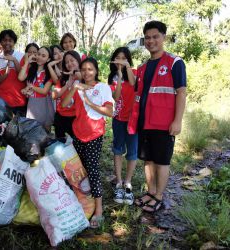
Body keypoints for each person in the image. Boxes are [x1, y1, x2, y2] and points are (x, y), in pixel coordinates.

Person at [128, 21, 187, 213]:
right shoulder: (143, 67)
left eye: (155, 36)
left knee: (162, 161)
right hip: (145, 122)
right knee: (148, 160)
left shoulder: (174, 63)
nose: (151, 41)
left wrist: (177, 120)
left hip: (163, 124)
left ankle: (159, 196)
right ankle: (150, 191)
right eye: (147, 37)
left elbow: (181, 92)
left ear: (163, 37)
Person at [62, 57, 114, 229]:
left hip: (94, 135)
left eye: (90, 69)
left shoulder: (102, 88)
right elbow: (63, 103)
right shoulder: (77, 88)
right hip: (78, 133)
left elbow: (109, 111)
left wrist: (90, 102)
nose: (87, 72)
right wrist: (75, 87)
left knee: (92, 170)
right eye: (83, 69)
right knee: (78, 170)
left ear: (96, 71)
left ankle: (98, 210)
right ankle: (83, 202)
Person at [108, 47, 137, 205]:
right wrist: (119, 76)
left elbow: (133, 84)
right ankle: (119, 182)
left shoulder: (134, 72)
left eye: (123, 58)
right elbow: (116, 96)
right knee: (118, 150)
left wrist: (126, 68)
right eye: (117, 57)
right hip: (118, 118)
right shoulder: (112, 77)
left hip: (133, 119)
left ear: (128, 59)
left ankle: (128, 183)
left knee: (132, 152)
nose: (120, 60)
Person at [0, 29, 27, 116]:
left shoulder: (22, 56)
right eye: (4, 40)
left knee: (20, 129)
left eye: (10, 40)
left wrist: (14, 60)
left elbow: (22, 77)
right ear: (1, 42)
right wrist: (6, 74)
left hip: (20, 100)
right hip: (2, 102)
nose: (7, 43)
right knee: (3, 128)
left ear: (14, 42)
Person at [18, 46, 54, 131]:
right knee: (33, 130)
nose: (39, 57)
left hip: (44, 103)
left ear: (48, 59)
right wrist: (27, 62)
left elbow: (44, 91)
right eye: (38, 54)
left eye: (43, 56)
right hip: (32, 103)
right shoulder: (31, 69)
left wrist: (31, 87)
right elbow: (20, 78)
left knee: (45, 130)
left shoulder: (49, 73)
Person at [52, 51, 82, 138]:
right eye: (66, 62)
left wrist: (77, 74)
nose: (69, 63)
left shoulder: (85, 77)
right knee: (61, 143)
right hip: (61, 116)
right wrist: (67, 85)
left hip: (76, 118)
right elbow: (54, 96)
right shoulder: (63, 78)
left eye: (72, 60)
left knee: (76, 145)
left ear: (78, 61)